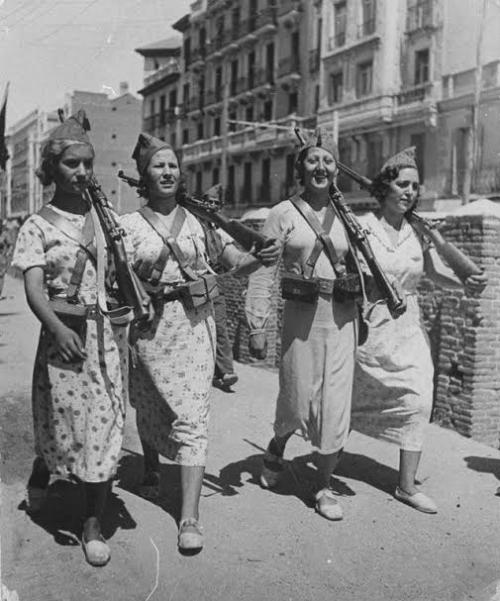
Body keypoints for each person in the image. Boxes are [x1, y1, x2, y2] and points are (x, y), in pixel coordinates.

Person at [120, 133, 281, 551]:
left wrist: (258, 260)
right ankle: (152, 465)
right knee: (150, 400)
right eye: (159, 165)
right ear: (144, 175)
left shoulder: (201, 224)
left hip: (194, 327)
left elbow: (233, 265)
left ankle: (189, 515)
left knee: (192, 416)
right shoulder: (127, 226)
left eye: (173, 165)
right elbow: (116, 282)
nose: (168, 171)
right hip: (149, 326)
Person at [11, 110, 130, 567]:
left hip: (103, 339)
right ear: (52, 169)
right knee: (59, 422)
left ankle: (92, 522)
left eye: (86, 164)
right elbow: (34, 289)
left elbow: (124, 269)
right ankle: (43, 469)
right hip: (63, 334)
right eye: (71, 164)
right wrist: (58, 329)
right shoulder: (38, 225)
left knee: (104, 421)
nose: (81, 173)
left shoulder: (105, 216)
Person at [351, 147, 486, 513]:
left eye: (415, 186)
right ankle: (282, 444)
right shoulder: (361, 226)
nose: (410, 192)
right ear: (385, 188)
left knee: (419, 398)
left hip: (409, 327)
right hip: (369, 324)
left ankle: (406, 485)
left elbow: (433, 273)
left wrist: (464, 285)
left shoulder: (418, 231)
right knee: (340, 400)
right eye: (402, 184)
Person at [245, 130, 366, 521]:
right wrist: (257, 324)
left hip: (342, 317)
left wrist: (367, 312)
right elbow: (263, 271)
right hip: (302, 315)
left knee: (335, 401)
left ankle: (324, 484)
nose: (321, 167)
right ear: (301, 168)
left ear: (337, 169)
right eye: (313, 160)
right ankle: (278, 443)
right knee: (296, 397)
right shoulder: (282, 213)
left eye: (328, 161)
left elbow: (366, 269)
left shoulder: (348, 215)